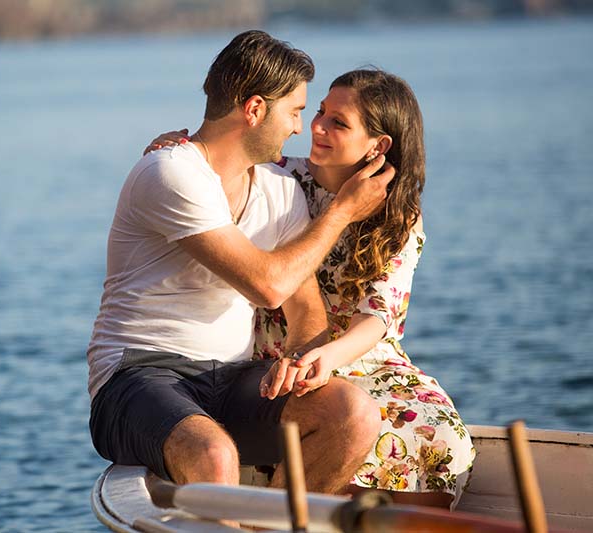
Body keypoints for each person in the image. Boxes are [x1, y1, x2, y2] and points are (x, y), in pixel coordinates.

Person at [145, 69, 476, 508]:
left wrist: (328, 357)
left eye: (338, 123)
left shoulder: (399, 217)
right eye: (319, 112)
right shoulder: (280, 177)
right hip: (280, 354)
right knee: (359, 422)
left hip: (361, 359)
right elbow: (216, 158)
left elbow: (378, 317)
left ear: (378, 147)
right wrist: (175, 148)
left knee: (441, 436)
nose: (316, 127)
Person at [88, 30, 395, 496]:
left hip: (230, 379)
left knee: (352, 415)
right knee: (214, 455)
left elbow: (303, 307)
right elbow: (267, 287)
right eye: (295, 111)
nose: (299, 128)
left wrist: (296, 361)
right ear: (253, 110)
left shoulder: (280, 189)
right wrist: (341, 212)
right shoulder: (170, 173)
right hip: (137, 374)